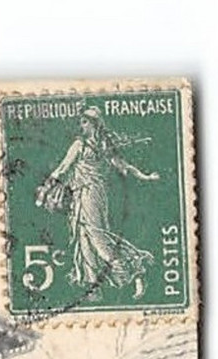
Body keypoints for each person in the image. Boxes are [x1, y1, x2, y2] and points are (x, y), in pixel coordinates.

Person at [36, 106, 161, 299]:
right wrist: (145, 176)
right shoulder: (98, 146)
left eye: (84, 122)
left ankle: (134, 270)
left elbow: (63, 168)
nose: (81, 125)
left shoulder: (86, 145)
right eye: (81, 122)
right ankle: (93, 287)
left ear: (94, 123)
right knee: (84, 236)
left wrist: (145, 176)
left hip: (91, 194)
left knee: (97, 237)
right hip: (85, 194)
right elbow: (64, 168)